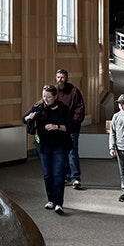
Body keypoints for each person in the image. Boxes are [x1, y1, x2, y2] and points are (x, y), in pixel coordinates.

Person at [24, 84, 73, 214]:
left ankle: (59, 203)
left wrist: (56, 126)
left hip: (60, 145)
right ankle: (50, 200)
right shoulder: (39, 107)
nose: (46, 99)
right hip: (44, 146)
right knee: (47, 174)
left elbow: (70, 127)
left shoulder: (63, 109)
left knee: (58, 174)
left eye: (48, 97)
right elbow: (24, 118)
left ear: (55, 96)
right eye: (44, 96)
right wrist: (29, 117)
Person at [52, 69, 86, 188]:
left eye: (62, 77)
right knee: (61, 153)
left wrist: (73, 124)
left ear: (66, 78)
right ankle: (66, 176)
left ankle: (75, 178)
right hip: (58, 129)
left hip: (71, 129)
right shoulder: (54, 92)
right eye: (58, 77)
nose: (60, 80)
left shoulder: (74, 91)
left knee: (72, 153)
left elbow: (79, 110)